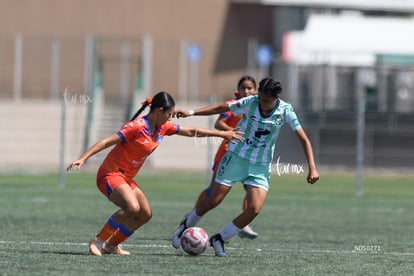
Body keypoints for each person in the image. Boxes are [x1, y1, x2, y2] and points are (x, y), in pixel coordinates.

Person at [67, 91, 243, 256]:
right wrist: (83, 158)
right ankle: (98, 240)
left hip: (126, 178)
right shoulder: (136, 126)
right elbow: (107, 141)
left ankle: (112, 245)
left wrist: (222, 134)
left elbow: (191, 131)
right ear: (159, 111)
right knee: (132, 208)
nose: (170, 117)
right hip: (110, 174)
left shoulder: (162, 127)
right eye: (169, 113)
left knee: (144, 214)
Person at [171, 77, 320, 257]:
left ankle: (219, 239)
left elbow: (303, 139)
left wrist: (312, 167)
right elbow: (221, 108)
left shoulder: (286, 110)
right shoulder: (251, 102)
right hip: (236, 158)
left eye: (266, 100)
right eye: (261, 98)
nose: (262, 103)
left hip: (260, 167)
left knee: (254, 209)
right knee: (214, 200)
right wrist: (191, 112)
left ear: (276, 98)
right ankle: (185, 226)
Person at [192, 75, 259, 239]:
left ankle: (245, 224)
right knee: (212, 192)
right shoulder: (233, 105)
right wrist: (231, 132)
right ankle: (192, 217)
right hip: (228, 151)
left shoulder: (259, 106)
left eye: (250, 88)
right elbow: (219, 123)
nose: (246, 91)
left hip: (248, 154)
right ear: (238, 90)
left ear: (255, 90)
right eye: (243, 88)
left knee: (251, 187)